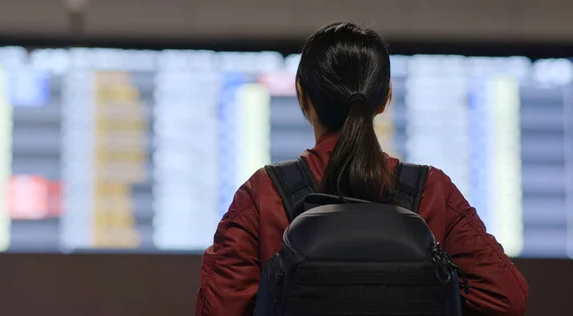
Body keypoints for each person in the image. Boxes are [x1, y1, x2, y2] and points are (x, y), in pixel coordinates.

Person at [196, 22, 529, 316]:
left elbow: (219, 309)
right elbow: (506, 300)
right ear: (385, 98)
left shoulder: (263, 193)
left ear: (301, 95)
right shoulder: (431, 190)